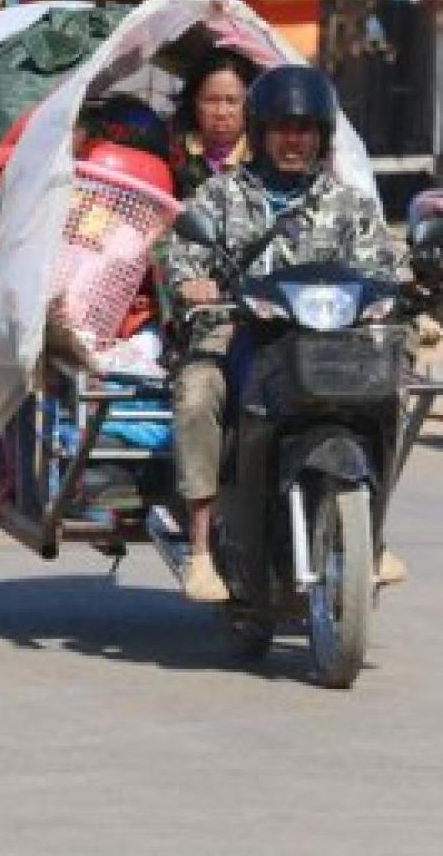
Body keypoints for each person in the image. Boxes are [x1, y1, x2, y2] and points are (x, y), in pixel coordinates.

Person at [161, 65, 404, 601]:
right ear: (262, 134)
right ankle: (201, 550)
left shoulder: (349, 205)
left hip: (325, 343)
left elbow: (383, 265)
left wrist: (389, 295)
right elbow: (181, 256)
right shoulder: (220, 197)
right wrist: (192, 282)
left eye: (305, 130)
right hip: (238, 332)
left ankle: (375, 532)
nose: (294, 141)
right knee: (198, 394)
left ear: (320, 137)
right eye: (282, 129)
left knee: (390, 390)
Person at [169, 50, 258, 199]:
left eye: (232, 101)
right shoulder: (172, 153)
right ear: (193, 102)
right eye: (211, 100)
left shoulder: (261, 157)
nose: (221, 113)